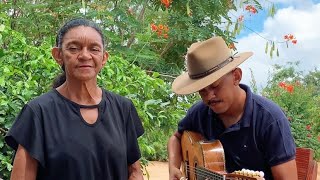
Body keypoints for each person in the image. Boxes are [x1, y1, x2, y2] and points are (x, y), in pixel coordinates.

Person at [5, 18, 144, 180]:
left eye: (94, 49)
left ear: (104, 58)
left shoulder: (123, 108)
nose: (85, 55)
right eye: (73, 48)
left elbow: (134, 172)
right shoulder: (38, 113)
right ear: (58, 55)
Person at [167, 37, 297, 180]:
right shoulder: (200, 112)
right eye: (202, 91)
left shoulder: (270, 120)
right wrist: (173, 167)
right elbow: (175, 138)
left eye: (215, 85)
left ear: (236, 76)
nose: (209, 96)